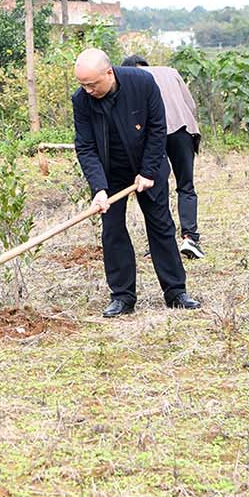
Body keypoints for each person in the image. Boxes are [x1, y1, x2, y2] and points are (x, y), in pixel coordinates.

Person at [72, 48, 198, 317]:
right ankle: (122, 297)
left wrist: (149, 171)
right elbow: (85, 146)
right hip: (110, 172)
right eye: (83, 85)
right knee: (112, 230)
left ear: (109, 72)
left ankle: (176, 291)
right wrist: (99, 188)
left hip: (146, 165)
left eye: (92, 84)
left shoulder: (142, 83)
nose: (88, 90)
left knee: (161, 225)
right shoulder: (81, 100)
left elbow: (157, 128)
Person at [123, 55, 205, 260]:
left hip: (152, 136)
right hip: (182, 130)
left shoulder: (129, 78)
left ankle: (160, 243)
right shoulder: (170, 72)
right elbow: (191, 105)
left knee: (157, 190)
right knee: (186, 185)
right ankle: (190, 238)